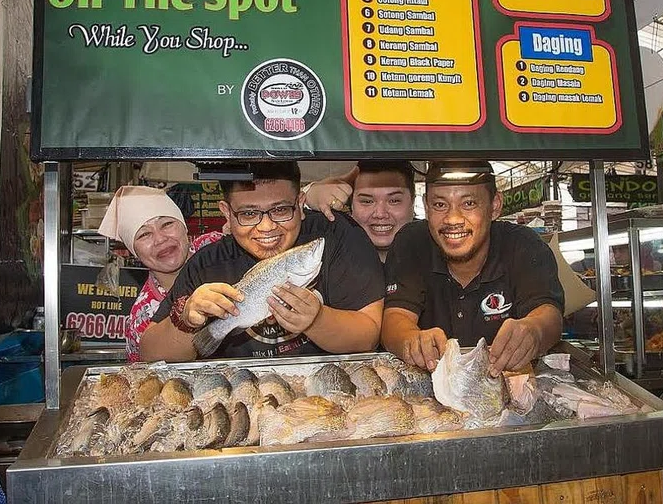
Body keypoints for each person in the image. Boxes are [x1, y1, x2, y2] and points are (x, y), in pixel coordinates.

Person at [140, 161, 385, 361]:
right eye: (248, 213)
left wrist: (318, 320)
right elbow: (149, 354)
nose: (266, 226)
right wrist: (186, 320)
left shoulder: (335, 235)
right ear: (227, 213)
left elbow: (369, 335)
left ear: (300, 204)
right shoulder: (208, 263)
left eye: (280, 210)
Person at [381, 160, 564, 376]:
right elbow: (395, 317)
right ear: (426, 207)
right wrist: (410, 339)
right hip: (430, 382)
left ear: (495, 206)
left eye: (469, 203)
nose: (453, 219)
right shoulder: (411, 242)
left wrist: (535, 330)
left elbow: (548, 314)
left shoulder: (523, 245)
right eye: (439, 205)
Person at [98, 185, 223, 362]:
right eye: (144, 235)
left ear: (185, 227)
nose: (160, 239)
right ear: (134, 252)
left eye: (167, 224)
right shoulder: (143, 318)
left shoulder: (216, 246)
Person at [304, 160, 416, 262]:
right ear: (351, 205)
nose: (380, 214)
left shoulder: (425, 250)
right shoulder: (328, 250)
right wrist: (307, 196)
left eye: (394, 201)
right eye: (367, 201)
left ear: (413, 202)